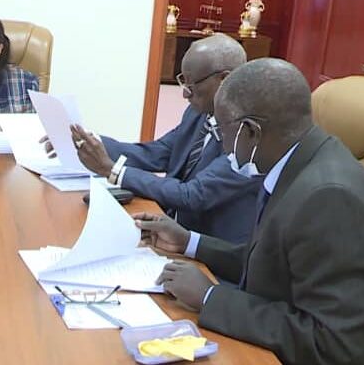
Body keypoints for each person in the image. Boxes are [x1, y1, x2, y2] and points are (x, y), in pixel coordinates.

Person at [137, 58, 364, 364]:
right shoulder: (296, 163)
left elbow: (332, 341)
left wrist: (210, 297)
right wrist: (189, 242)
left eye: (222, 131)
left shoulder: (330, 197)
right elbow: (271, 261)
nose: (223, 147)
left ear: (250, 131)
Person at [56, 34, 260, 244]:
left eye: (192, 85)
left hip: (205, 245)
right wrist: (89, 141)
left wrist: (112, 171)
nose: (184, 94)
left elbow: (192, 195)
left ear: (224, 79)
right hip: (168, 229)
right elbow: (158, 152)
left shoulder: (246, 135)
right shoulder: (198, 113)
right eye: (183, 81)